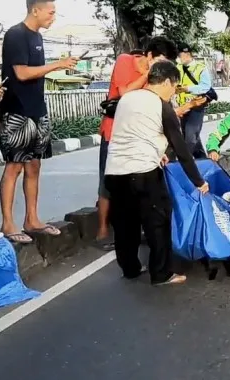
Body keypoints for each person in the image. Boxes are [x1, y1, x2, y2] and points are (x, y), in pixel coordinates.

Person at [104, 60, 209, 286]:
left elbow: (137, 132)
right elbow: (181, 150)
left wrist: (157, 151)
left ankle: (130, 269)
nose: (173, 92)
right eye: (174, 87)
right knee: (158, 220)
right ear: (168, 82)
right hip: (142, 173)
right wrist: (199, 182)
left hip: (113, 172)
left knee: (125, 224)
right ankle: (161, 273)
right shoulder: (162, 106)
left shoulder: (127, 98)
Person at [0, 0, 79, 244]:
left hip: (37, 110)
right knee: (15, 166)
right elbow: (21, 73)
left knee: (34, 165)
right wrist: (58, 64)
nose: (53, 17)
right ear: (35, 10)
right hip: (16, 111)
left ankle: (32, 219)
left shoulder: (38, 38)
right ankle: (8, 223)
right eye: (51, 12)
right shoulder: (15, 34)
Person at [95, 36, 178, 251]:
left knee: (139, 187)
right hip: (115, 131)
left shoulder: (157, 79)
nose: (161, 66)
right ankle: (103, 230)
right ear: (149, 56)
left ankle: (134, 233)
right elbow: (125, 93)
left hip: (140, 135)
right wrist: (147, 74)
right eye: (160, 60)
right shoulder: (126, 61)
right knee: (108, 182)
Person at [176, 43, 213, 158]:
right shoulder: (177, 68)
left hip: (196, 106)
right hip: (183, 107)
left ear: (187, 55)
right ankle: (202, 159)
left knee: (190, 137)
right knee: (189, 135)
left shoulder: (201, 68)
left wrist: (188, 88)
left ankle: (184, 162)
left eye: (180, 55)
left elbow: (205, 86)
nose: (179, 57)